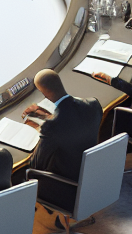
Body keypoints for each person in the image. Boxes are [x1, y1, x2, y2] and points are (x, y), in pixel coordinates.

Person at [19, 69, 101, 212]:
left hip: (68, 188)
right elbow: (71, 124)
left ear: (43, 93)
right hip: (93, 177)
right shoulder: (93, 104)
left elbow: (36, 165)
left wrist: (38, 127)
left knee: (20, 175)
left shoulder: (52, 127)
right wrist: (45, 117)